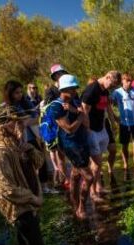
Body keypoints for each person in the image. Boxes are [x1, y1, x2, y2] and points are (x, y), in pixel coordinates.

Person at [0, 106, 53, 245]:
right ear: (5, 124)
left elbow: (37, 164)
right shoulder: (0, 151)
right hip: (20, 208)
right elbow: (3, 188)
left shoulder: (16, 142)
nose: (22, 125)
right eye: (18, 121)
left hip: (28, 203)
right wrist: (33, 199)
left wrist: (29, 148)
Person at [45, 74, 94, 219]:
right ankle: (81, 207)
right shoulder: (56, 106)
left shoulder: (75, 101)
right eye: (72, 89)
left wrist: (76, 111)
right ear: (64, 89)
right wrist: (79, 115)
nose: (75, 91)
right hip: (70, 144)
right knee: (89, 177)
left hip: (82, 141)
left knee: (75, 174)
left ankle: (74, 202)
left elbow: (87, 123)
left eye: (75, 88)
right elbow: (69, 129)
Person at [1, 81, 55, 195]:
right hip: (15, 142)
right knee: (23, 166)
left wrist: (25, 122)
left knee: (41, 160)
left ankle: (44, 187)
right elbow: (1, 126)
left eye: (21, 92)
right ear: (9, 93)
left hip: (31, 137)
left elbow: (37, 118)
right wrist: (18, 123)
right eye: (16, 93)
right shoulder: (4, 107)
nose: (19, 95)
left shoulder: (25, 103)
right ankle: (28, 190)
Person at [81, 73, 121, 201]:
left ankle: (98, 187)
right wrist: (87, 131)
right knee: (96, 163)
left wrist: (113, 124)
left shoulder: (104, 90)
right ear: (108, 77)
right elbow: (84, 111)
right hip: (91, 130)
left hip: (101, 127)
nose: (112, 87)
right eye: (112, 84)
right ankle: (92, 193)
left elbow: (107, 108)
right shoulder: (92, 90)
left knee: (98, 163)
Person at [111, 73, 134, 176]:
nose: (128, 83)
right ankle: (126, 166)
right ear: (122, 81)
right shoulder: (116, 92)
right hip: (124, 124)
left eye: (130, 81)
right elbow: (108, 104)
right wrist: (114, 117)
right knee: (124, 145)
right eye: (126, 81)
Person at [44, 64, 69, 190]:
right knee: (60, 154)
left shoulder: (67, 87)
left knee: (67, 152)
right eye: (58, 74)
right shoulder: (50, 91)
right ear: (54, 76)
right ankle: (65, 179)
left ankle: (67, 178)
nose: (61, 75)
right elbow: (47, 109)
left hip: (68, 122)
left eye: (62, 73)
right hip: (56, 125)